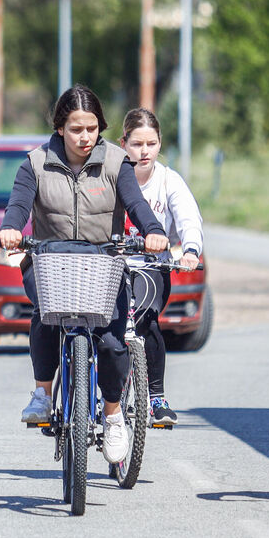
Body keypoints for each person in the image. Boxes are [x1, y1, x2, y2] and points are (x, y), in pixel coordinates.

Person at [0, 85, 169, 464]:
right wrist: (11, 229)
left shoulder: (115, 162)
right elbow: (19, 205)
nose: (85, 137)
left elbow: (136, 203)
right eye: (76, 129)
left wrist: (153, 230)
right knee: (44, 313)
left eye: (92, 128)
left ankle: (112, 416)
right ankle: (43, 393)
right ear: (60, 127)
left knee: (110, 341)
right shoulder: (35, 163)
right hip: (51, 262)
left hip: (103, 263)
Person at [119, 108, 203, 426]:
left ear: (159, 144)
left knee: (148, 319)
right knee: (101, 329)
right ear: (123, 143)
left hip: (150, 268)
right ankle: (99, 398)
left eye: (151, 144)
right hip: (112, 265)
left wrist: (190, 250)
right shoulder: (111, 175)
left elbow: (188, 218)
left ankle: (156, 397)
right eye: (137, 144)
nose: (144, 152)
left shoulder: (168, 180)